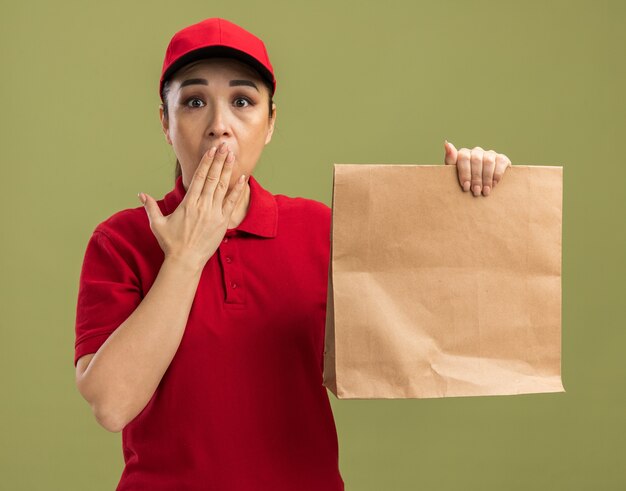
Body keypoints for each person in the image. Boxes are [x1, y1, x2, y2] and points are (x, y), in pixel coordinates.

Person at [73, 17, 512, 491]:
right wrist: (184, 258)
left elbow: (423, 339)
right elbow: (112, 405)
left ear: (270, 123)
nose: (220, 126)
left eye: (243, 102)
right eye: (195, 102)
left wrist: (465, 205)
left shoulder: (319, 229)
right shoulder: (120, 241)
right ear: (166, 121)